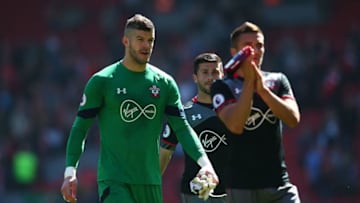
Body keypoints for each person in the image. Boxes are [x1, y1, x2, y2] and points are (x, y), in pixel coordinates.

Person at [60, 14, 218, 203]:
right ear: (126, 41)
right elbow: (80, 128)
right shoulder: (102, 81)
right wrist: (70, 171)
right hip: (114, 181)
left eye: (150, 40)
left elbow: (182, 128)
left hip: (150, 181)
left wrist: (205, 164)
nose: (146, 46)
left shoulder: (165, 83)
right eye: (140, 40)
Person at [210, 21, 301, 203]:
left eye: (259, 45)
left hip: (279, 185)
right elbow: (236, 125)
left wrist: (264, 91)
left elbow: (293, 119)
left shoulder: (278, 81)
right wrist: (250, 85)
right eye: (248, 47)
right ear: (234, 53)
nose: (255, 51)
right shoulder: (222, 86)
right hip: (239, 187)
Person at [160, 53, 230, 203]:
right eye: (205, 72)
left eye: (215, 72)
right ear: (195, 77)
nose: (211, 77)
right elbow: (163, 155)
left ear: (222, 75)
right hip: (197, 195)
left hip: (234, 193)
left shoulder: (235, 110)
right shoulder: (182, 114)